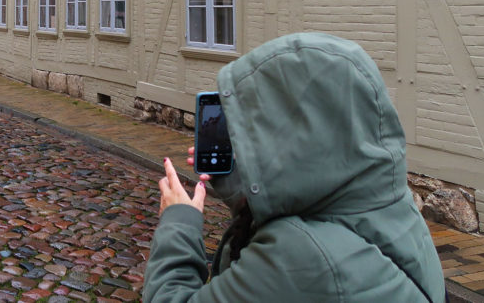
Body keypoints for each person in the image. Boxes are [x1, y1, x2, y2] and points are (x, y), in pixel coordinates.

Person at [144, 32, 444, 302]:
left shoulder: (304, 256)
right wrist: (246, 182)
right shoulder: (383, 200)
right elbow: (305, 202)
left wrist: (179, 222)